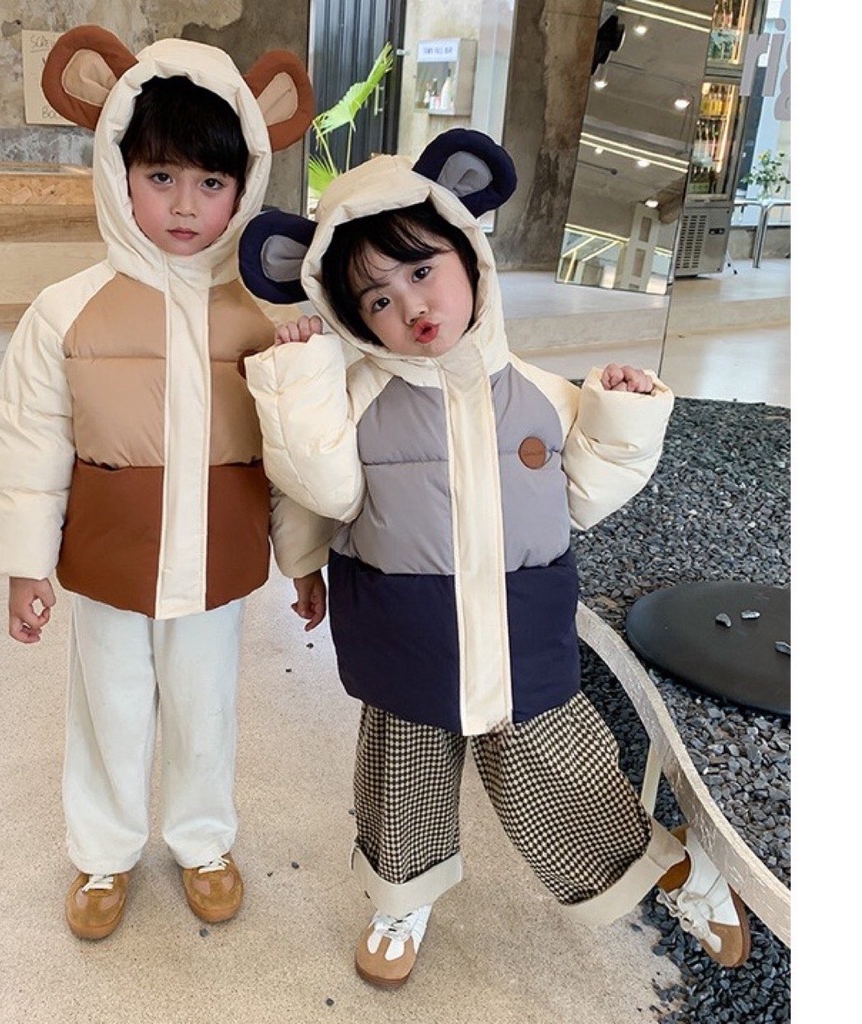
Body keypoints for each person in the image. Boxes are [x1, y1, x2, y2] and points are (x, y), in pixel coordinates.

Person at [239, 129, 752, 988]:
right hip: (404, 628)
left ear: (470, 257)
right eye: (376, 298)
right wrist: (302, 387)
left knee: (551, 768)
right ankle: (400, 898)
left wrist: (620, 416)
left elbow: (582, 494)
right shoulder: (351, 402)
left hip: (521, 625)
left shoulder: (538, 392)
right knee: (401, 770)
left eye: (422, 269)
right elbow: (315, 488)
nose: (410, 304)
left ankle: (663, 866)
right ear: (349, 316)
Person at [0, 25, 329, 942]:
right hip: (109, 560)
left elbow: (293, 454)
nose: (184, 204)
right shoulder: (65, 312)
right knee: (109, 707)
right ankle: (103, 853)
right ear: (119, 171)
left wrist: (304, 560)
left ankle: (203, 842)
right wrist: (23, 563)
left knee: (206, 709)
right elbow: (27, 442)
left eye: (211, 183)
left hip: (215, 563)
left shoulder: (262, 317)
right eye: (161, 175)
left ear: (244, 187)